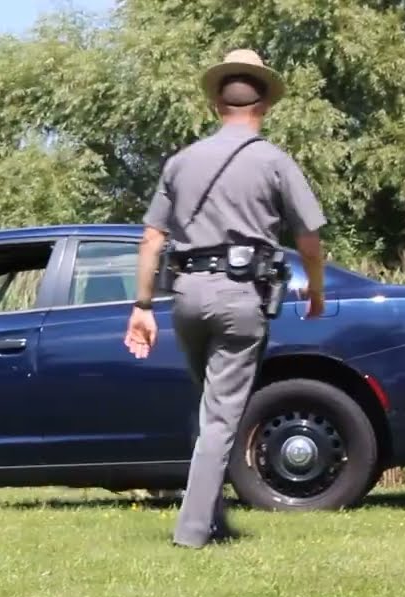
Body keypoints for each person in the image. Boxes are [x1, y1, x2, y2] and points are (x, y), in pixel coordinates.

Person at [123, 49, 328, 548]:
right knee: (220, 418)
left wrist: (142, 307)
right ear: (265, 106)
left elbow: (152, 237)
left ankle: (211, 519)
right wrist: (315, 290)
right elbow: (309, 239)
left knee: (211, 410)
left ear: (217, 103)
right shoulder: (274, 161)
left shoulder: (182, 161)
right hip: (240, 297)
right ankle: (192, 533)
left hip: (186, 296)